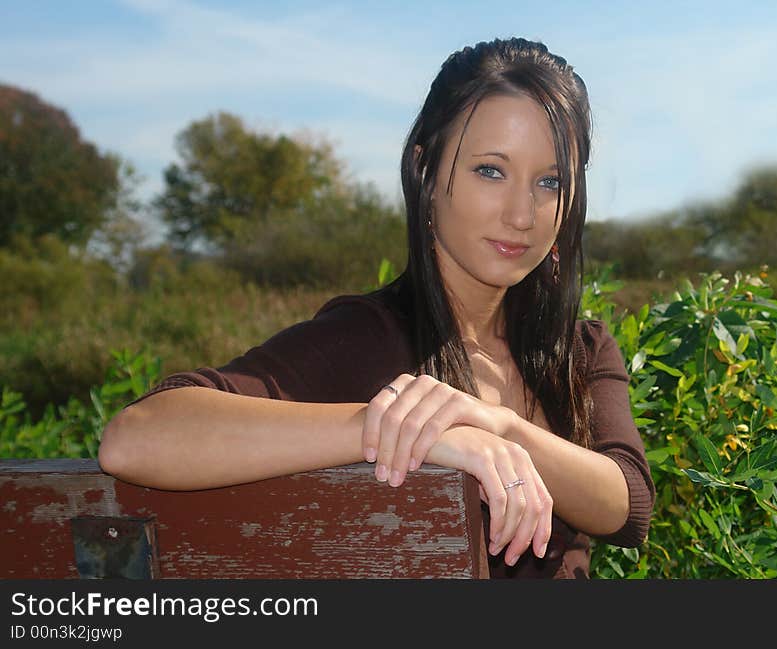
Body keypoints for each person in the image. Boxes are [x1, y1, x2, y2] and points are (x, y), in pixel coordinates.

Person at [98, 37, 655, 579]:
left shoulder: (578, 349)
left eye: (550, 181)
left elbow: (627, 507)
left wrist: (498, 428)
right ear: (426, 171)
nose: (523, 213)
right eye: (490, 170)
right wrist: (395, 425)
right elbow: (137, 437)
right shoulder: (369, 337)